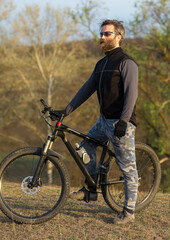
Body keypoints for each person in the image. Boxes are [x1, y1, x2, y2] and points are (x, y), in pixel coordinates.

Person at [61, 20, 139, 224]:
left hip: (121, 124)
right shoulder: (102, 64)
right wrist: (66, 111)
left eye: (107, 34)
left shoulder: (127, 62)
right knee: (84, 147)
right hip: (103, 121)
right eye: (102, 33)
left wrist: (123, 121)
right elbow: (86, 89)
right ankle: (91, 188)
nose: (102, 37)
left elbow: (132, 95)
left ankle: (129, 212)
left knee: (128, 168)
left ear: (118, 36)